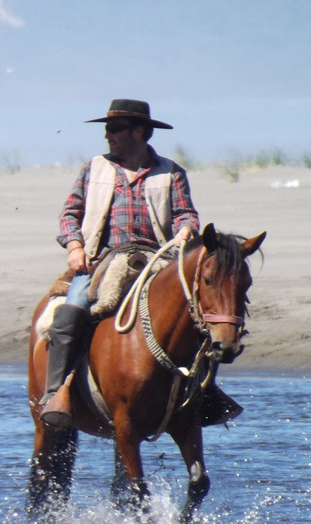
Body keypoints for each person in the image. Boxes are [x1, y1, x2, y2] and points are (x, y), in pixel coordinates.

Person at [40, 98, 235, 429]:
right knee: (71, 311)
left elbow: (185, 213)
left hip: (158, 258)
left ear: (140, 132)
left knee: (198, 316)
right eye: (107, 129)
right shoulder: (93, 168)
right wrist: (74, 245)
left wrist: (186, 228)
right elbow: (70, 212)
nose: (108, 136)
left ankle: (205, 391)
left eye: (114, 129)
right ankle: (57, 392)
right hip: (102, 258)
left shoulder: (171, 172)